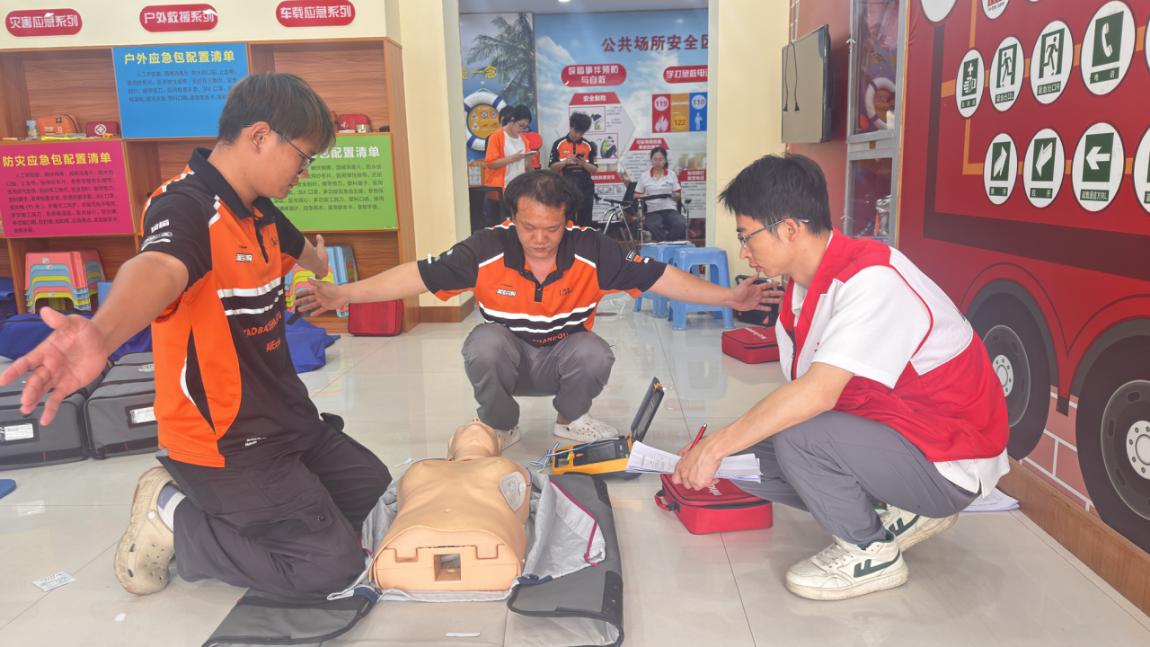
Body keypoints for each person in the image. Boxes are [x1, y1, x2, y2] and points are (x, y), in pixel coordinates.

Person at [0, 73, 392, 600]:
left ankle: (264, 511)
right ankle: (175, 514)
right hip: (224, 440)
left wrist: (322, 271)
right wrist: (101, 332)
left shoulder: (259, 209)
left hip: (286, 419)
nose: (304, 173)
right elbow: (160, 265)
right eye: (303, 158)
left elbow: (301, 248)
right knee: (330, 568)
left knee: (374, 493)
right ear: (260, 136)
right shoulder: (185, 206)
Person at [673, 154, 1009, 601]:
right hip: (900, 434)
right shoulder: (803, 289)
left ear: (789, 229)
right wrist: (718, 450)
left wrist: (715, 445)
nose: (743, 252)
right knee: (745, 462)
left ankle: (869, 552)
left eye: (746, 236)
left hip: (950, 457)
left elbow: (816, 395)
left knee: (798, 439)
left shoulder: (872, 280)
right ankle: (900, 510)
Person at [297, 170, 773, 446]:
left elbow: (661, 277)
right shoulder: (485, 248)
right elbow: (416, 275)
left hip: (563, 361)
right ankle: (500, 424)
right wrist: (342, 294)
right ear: (512, 219)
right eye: (529, 228)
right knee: (484, 342)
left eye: (552, 228)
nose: (541, 239)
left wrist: (729, 297)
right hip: (508, 361)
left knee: (594, 350)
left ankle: (571, 421)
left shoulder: (594, 249)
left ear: (568, 220)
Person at [482, 105, 537, 227]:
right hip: (499, 192)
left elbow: (526, 167)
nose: (522, 129)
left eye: (525, 127)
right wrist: (513, 158)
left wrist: (528, 161)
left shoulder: (524, 140)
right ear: (512, 120)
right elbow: (490, 163)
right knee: (498, 228)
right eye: (520, 125)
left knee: (516, 226)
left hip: (518, 191)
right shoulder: (496, 137)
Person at [548, 112, 599, 228]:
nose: (578, 135)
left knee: (585, 219)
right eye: (576, 131)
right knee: (567, 217)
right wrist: (565, 162)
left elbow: (595, 169)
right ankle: (567, 238)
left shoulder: (588, 145)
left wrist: (583, 164)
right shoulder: (558, 144)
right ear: (571, 126)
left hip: (585, 186)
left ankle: (584, 238)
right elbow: (552, 168)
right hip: (565, 186)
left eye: (581, 133)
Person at [633, 146, 685, 241]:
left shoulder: (671, 174)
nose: (658, 162)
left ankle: (667, 243)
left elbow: (678, 195)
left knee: (680, 223)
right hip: (653, 211)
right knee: (653, 225)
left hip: (670, 210)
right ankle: (665, 244)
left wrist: (674, 195)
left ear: (665, 160)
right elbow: (636, 195)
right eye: (655, 159)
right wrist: (644, 196)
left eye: (660, 159)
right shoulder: (644, 176)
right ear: (651, 160)